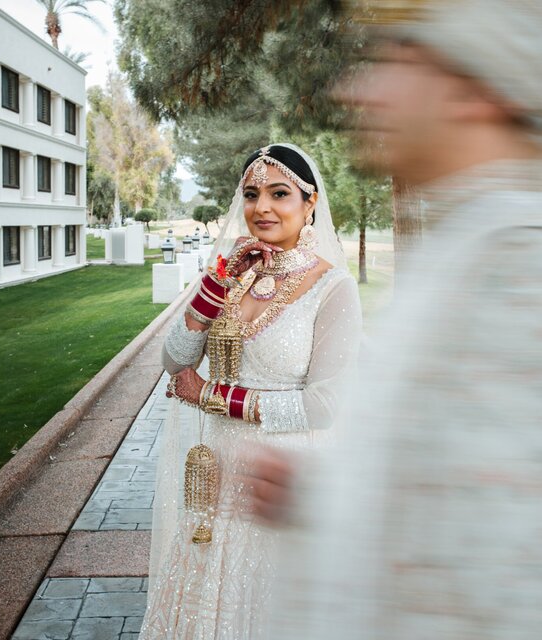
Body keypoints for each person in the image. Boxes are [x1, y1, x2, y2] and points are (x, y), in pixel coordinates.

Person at [249, 2, 542, 639]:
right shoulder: (476, 246)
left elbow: (508, 593)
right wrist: (322, 494)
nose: (358, 89)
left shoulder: (527, 278)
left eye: (396, 57)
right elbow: (450, 506)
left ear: (476, 89)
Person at [140, 143, 362, 639]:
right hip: (216, 471)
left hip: (279, 473)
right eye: (251, 194)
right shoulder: (233, 277)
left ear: (310, 203)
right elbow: (174, 362)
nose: (262, 207)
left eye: (279, 193)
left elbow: (324, 406)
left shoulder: (335, 289)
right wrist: (217, 282)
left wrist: (212, 397)